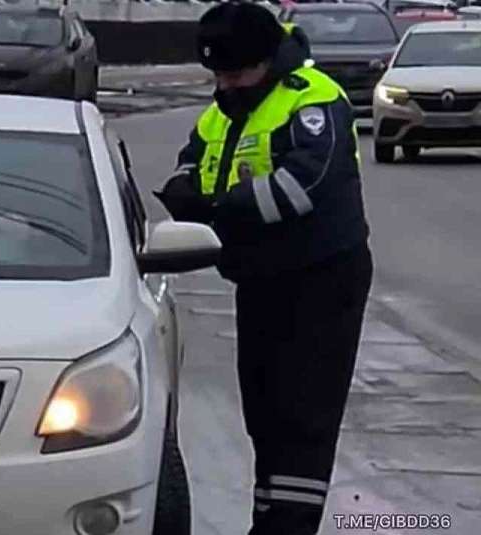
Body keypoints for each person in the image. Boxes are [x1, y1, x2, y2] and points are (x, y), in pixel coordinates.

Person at [154, 2, 373, 535]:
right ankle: (270, 518)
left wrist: (224, 207)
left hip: (320, 277)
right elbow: (195, 157)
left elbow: (306, 184)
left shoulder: (312, 99)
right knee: (265, 412)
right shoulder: (223, 108)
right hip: (260, 278)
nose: (225, 85)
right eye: (217, 75)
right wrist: (187, 190)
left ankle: (291, 526)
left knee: (303, 415)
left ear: (266, 59)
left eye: (234, 73)